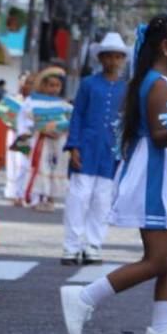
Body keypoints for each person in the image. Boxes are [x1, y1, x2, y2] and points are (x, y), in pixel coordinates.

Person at [59, 14, 167, 334]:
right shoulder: (158, 84)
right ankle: (84, 296)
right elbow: (159, 136)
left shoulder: (157, 81)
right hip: (155, 176)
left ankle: (162, 327)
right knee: (157, 259)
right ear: (166, 47)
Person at [62, 33, 129, 265]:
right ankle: (71, 247)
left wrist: (125, 148)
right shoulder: (88, 84)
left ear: (123, 59)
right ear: (100, 58)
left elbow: (128, 121)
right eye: (108, 56)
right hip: (86, 147)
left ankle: (93, 245)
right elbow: (77, 115)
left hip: (111, 151)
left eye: (118, 56)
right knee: (78, 197)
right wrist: (74, 145)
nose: (113, 60)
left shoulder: (127, 89)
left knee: (102, 200)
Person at [20, 66, 72, 211]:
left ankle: (51, 198)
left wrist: (62, 131)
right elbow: (26, 122)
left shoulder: (64, 105)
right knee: (40, 166)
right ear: (43, 85)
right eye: (51, 85)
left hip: (59, 141)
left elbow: (70, 121)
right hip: (40, 141)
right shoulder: (32, 102)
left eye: (57, 85)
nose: (54, 89)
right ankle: (37, 198)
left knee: (56, 167)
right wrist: (42, 130)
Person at [2, 72, 32, 206]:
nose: (27, 85)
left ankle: (24, 193)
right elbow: (6, 114)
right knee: (14, 162)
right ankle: (14, 192)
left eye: (30, 83)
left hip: (30, 136)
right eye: (25, 82)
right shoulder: (13, 99)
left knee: (25, 165)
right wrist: (11, 124)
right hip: (17, 134)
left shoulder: (35, 101)